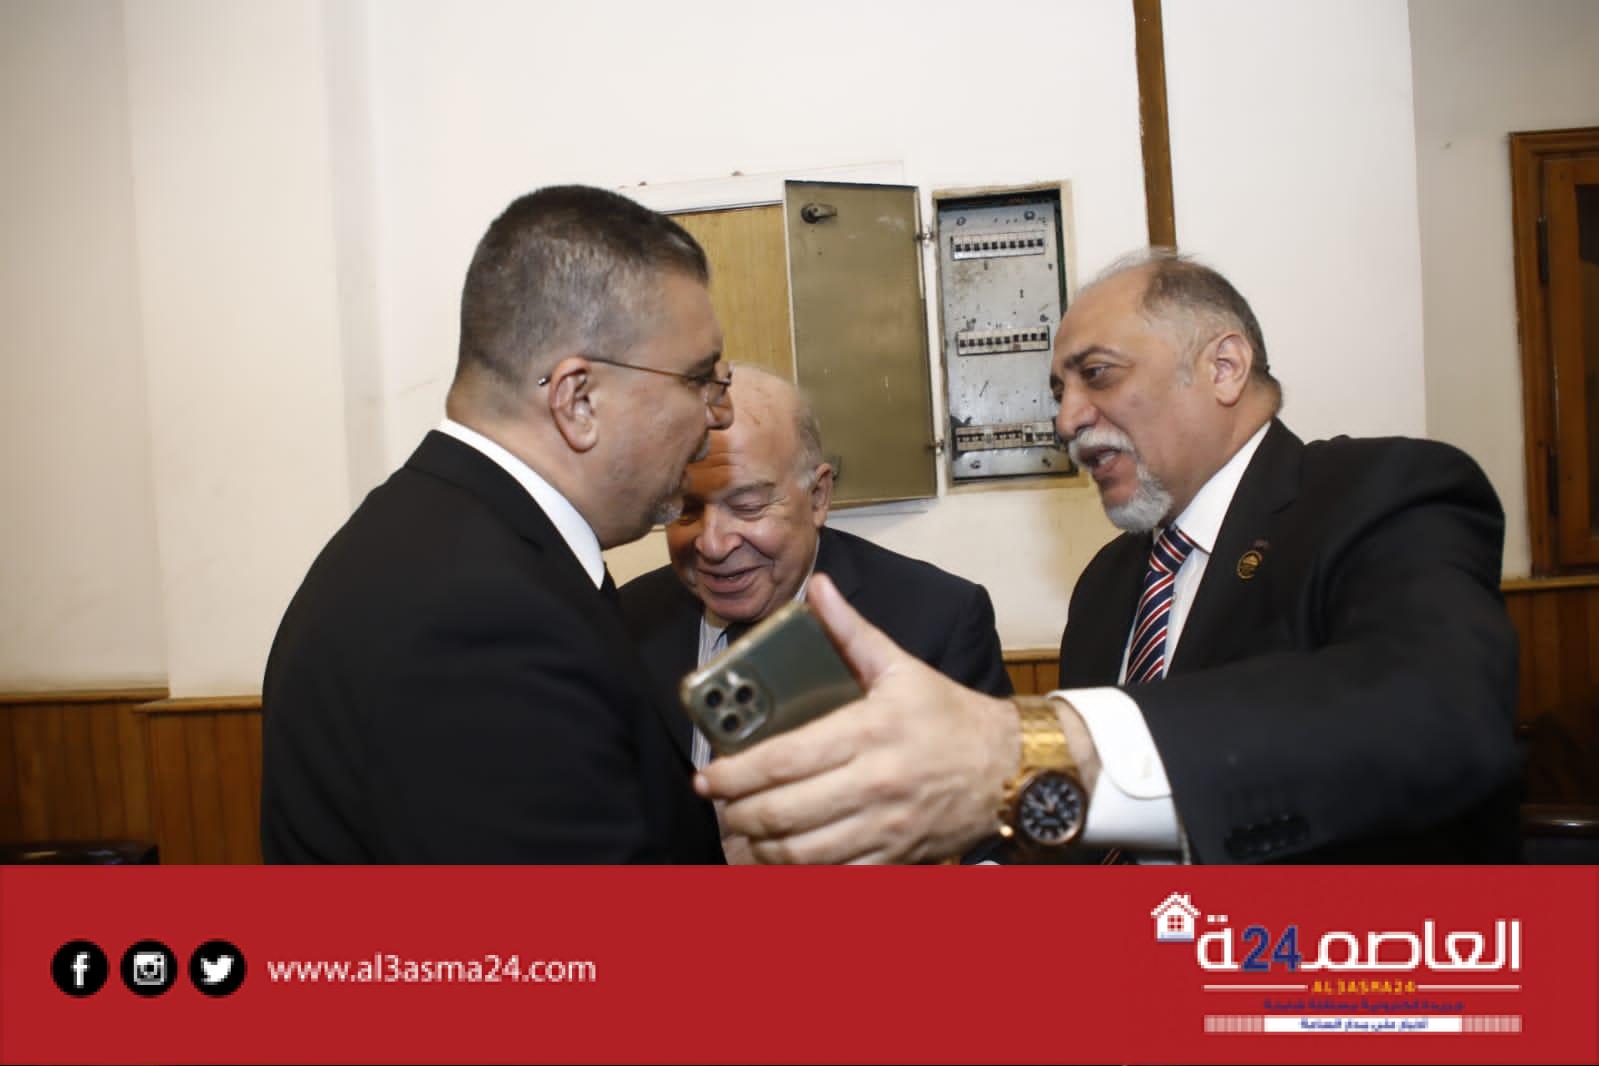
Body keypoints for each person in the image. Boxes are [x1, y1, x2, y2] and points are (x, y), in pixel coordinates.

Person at [698, 250, 1521, 864]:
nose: (1066, 419)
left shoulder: (1383, 491)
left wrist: (1033, 746)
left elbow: (1438, 716)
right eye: (1059, 391)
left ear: (1223, 366)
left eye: (1096, 375)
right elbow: (1086, 829)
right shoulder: (1110, 583)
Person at [261, 185, 733, 863]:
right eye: (697, 379)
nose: (718, 413)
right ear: (577, 400)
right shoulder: (480, 616)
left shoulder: (453, 540)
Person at [620, 366, 1011, 776]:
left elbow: (989, 796)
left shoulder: (937, 623)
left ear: (818, 497)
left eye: (748, 507)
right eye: (685, 510)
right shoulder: (626, 621)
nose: (712, 545)